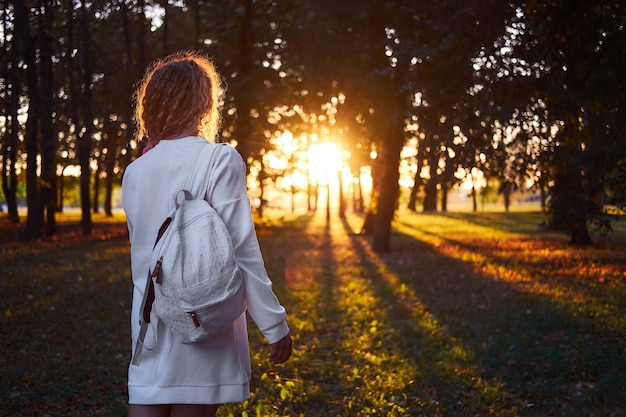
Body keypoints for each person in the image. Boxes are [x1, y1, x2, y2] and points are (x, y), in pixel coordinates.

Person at [122, 51, 292, 417]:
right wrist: (274, 325)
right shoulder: (219, 159)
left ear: (151, 105)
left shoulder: (134, 172)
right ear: (203, 105)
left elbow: (143, 258)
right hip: (203, 319)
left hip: (149, 325)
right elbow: (243, 250)